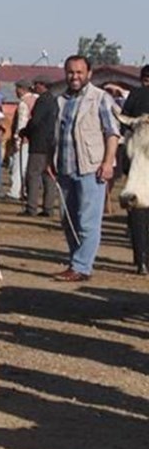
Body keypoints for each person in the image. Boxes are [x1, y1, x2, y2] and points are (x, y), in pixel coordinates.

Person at [52, 55, 120, 282]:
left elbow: (112, 133)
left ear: (89, 74)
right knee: (67, 219)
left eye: (79, 72)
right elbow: (57, 136)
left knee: (87, 220)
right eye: (71, 72)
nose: (75, 77)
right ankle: (76, 261)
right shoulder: (61, 100)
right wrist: (50, 162)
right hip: (65, 169)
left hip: (91, 168)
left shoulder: (100, 98)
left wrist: (108, 162)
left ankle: (81, 266)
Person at [122, 65, 149, 275]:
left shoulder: (135, 95)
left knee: (137, 214)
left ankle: (140, 259)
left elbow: (124, 124)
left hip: (136, 164)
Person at [20, 76, 60, 217]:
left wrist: (25, 131)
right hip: (51, 143)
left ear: (43, 85)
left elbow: (35, 121)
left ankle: (31, 207)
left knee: (33, 175)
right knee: (48, 176)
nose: (34, 87)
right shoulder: (54, 100)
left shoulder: (42, 100)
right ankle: (48, 208)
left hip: (39, 144)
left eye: (36, 84)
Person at [6, 80, 37, 202]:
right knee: (26, 167)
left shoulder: (24, 103)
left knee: (18, 166)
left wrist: (17, 140)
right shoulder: (35, 100)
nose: (16, 92)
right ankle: (24, 190)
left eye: (17, 89)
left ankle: (15, 191)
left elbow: (21, 124)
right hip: (33, 140)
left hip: (24, 140)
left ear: (22, 89)